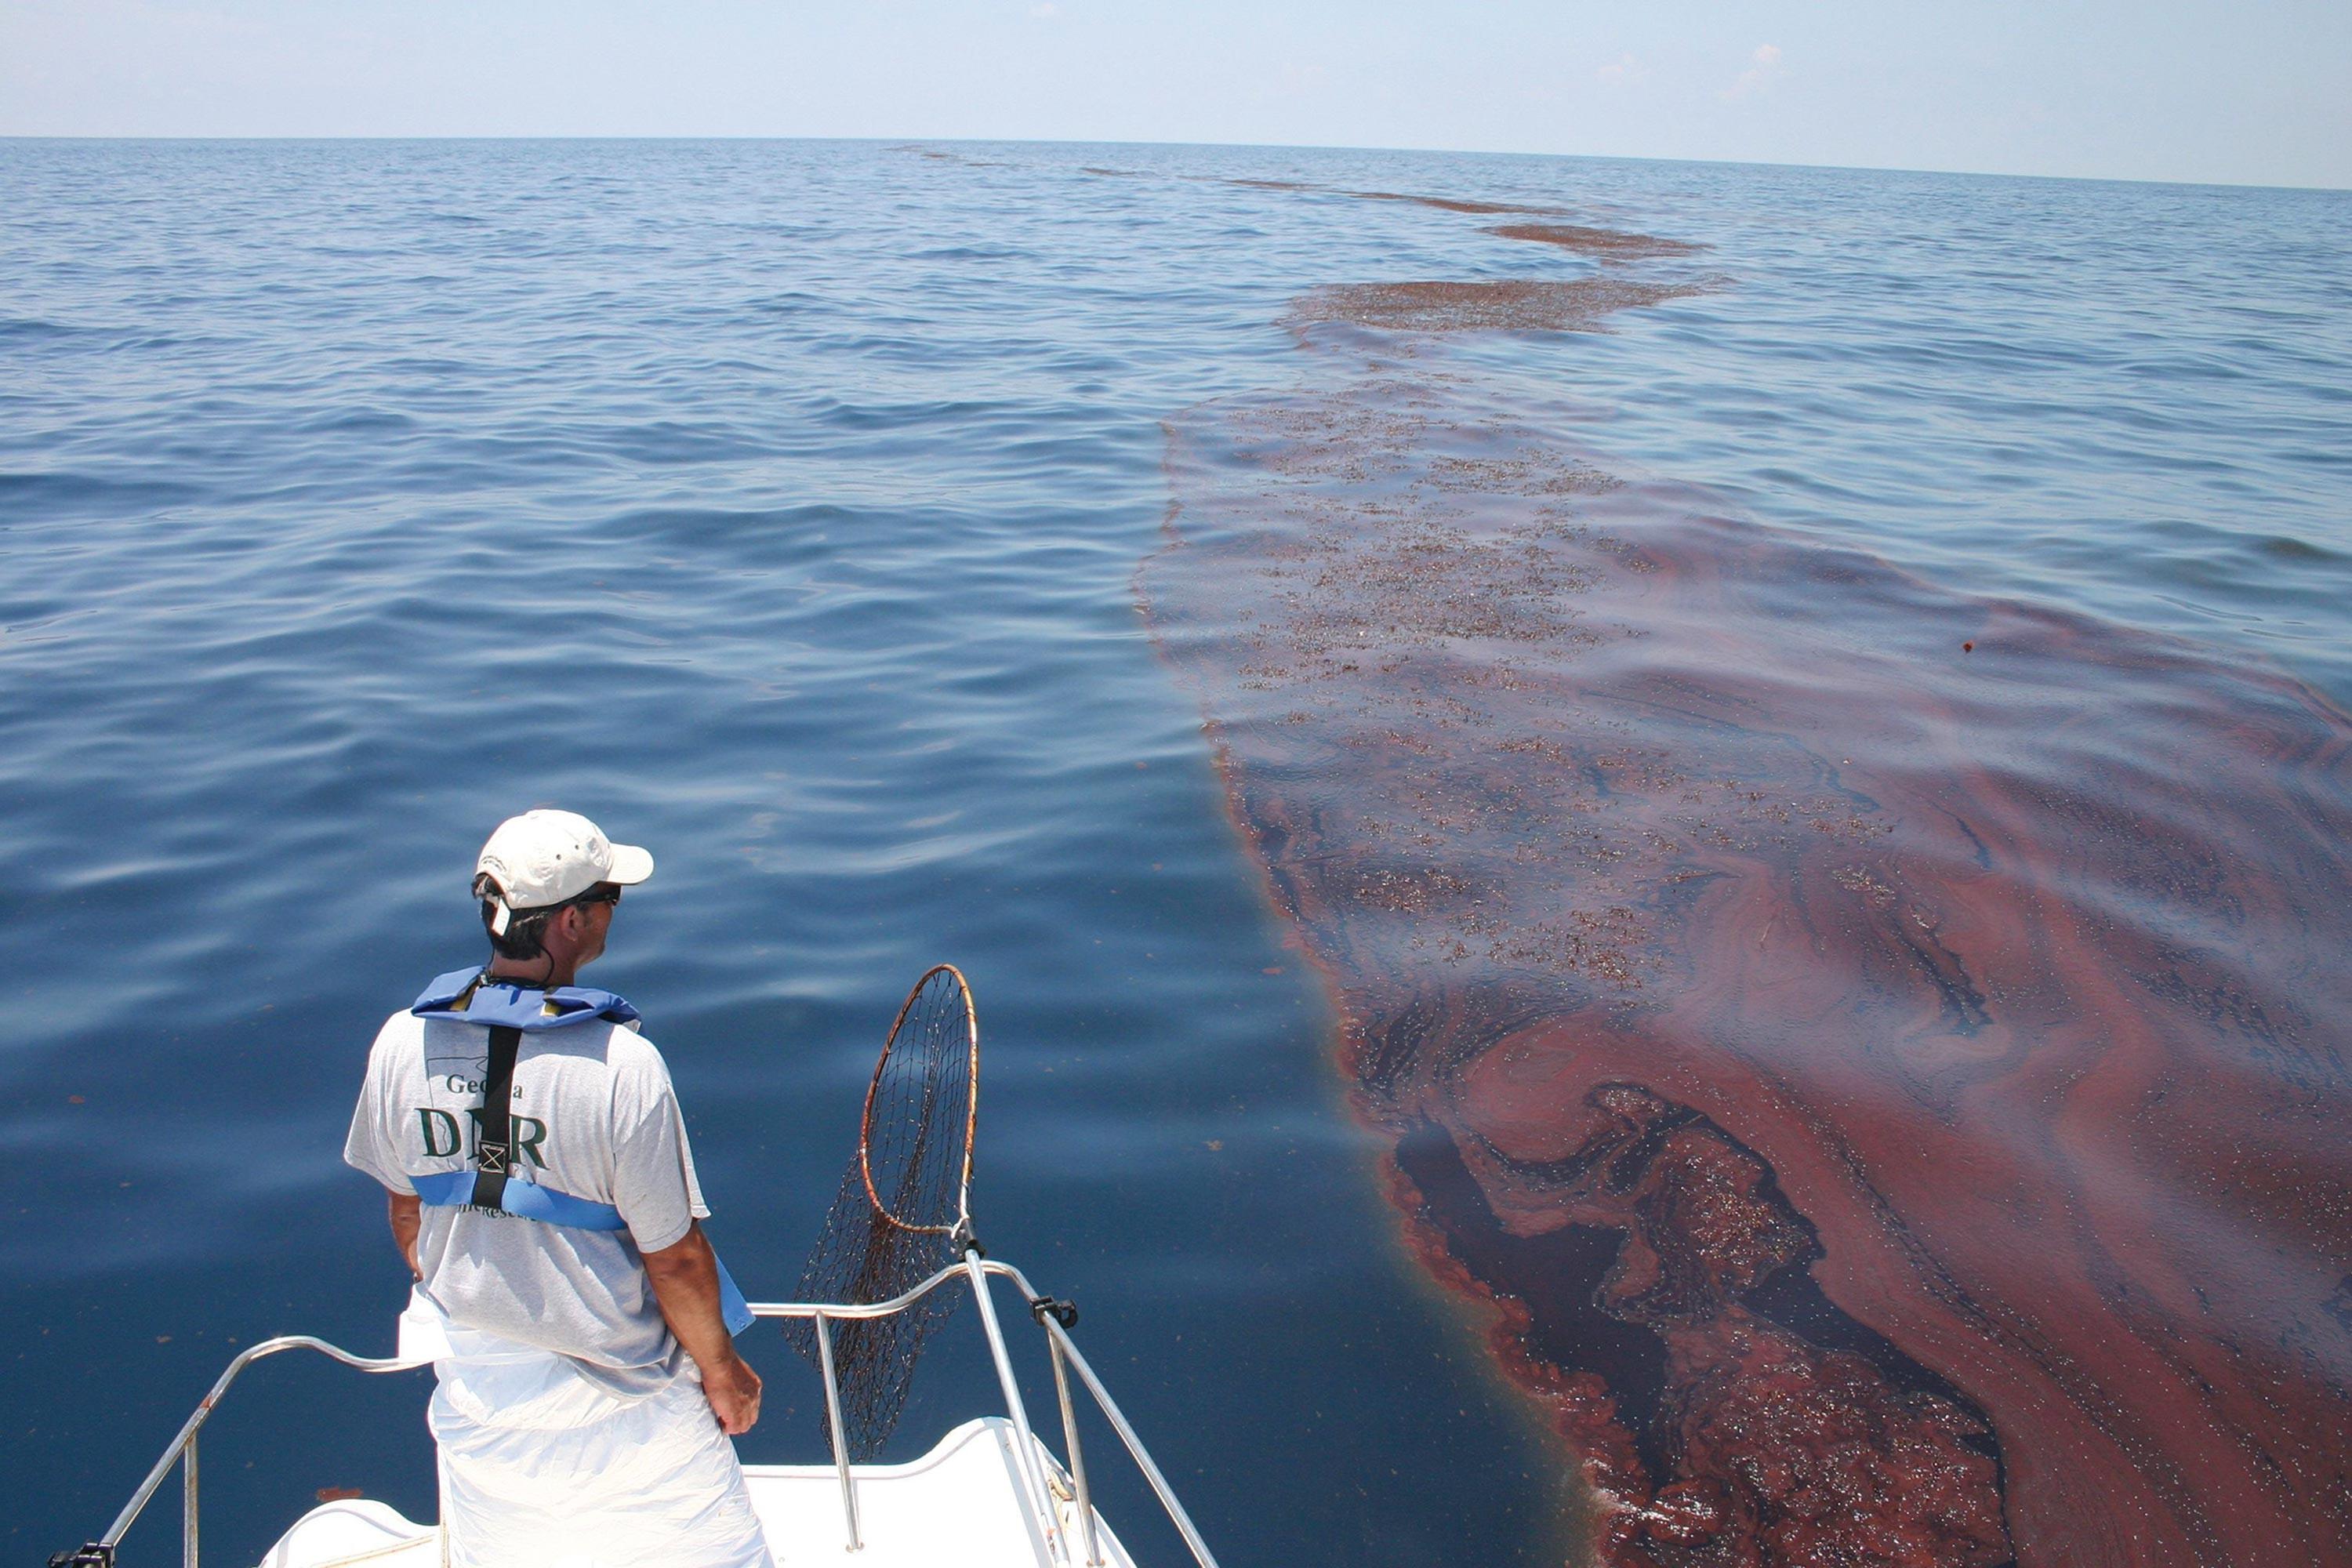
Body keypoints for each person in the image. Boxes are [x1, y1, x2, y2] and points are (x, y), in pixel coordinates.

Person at [343, 809, 775, 1567]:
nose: (613, 912)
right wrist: (723, 1373)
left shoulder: (399, 1041)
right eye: (611, 896)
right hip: (626, 1404)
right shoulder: (623, 1067)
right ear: (572, 920)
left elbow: (406, 1208)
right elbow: (674, 1259)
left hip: (479, 1390)